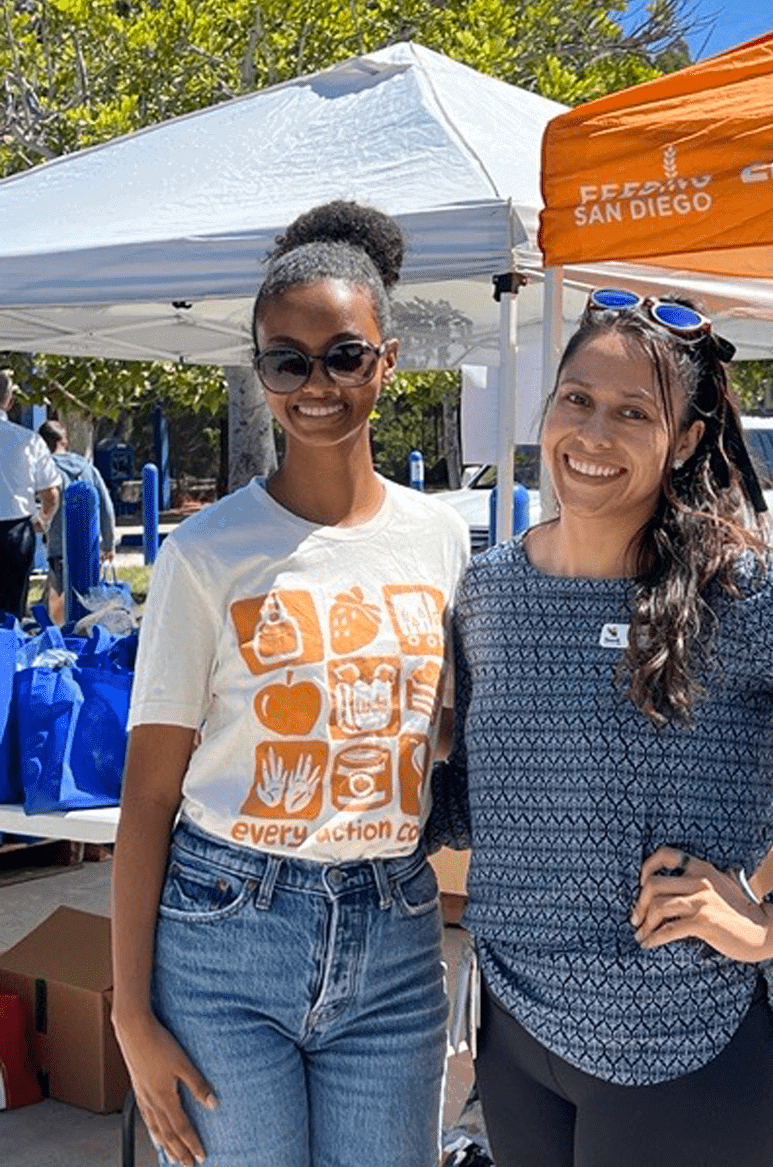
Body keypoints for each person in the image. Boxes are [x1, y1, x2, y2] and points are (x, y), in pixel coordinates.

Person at [430, 290, 773, 1167]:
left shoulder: (747, 594)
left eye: (633, 412)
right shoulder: (490, 592)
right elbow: (482, 798)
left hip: (690, 1047)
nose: (594, 434)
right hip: (517, 1032)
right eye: (577, 399)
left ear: (683, 440)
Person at [111, 202, 469, 1167]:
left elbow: (444, 736)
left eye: (345, 356)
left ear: (387, 363)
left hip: (393, 934)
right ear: (261, 373)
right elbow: (147, 798)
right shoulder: (205, 553)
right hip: (224, 934)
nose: (319, 385)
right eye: (288, 361)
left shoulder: (441, 539)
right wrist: (131, 1016)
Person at [38, 420, 117, 625]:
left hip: (59, 548)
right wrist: (108, 543)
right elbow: (106, 507)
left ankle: (63, 637)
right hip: (88, 548)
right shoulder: (87, 468)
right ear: (64, 440)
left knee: (58, 607)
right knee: (87, 598)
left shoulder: (45, 471)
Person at [0, 370, 61, 620]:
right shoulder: (28, 440)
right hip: (15, 532)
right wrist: (42, 519)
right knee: (11, 607)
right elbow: (51, 494)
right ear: (9, 400)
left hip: (15, 527)